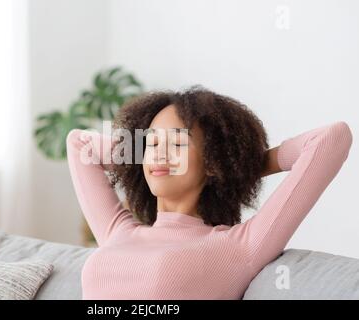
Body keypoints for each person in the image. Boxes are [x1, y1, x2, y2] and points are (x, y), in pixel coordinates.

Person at [66, 85, 353, 299]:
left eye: (177, 144)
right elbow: (79, 143)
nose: (159, 155)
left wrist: (235, 167)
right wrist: (140, 161)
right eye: (151, 144)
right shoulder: (117, 232)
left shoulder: (238, 247)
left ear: (213, 161)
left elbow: (331, 138)